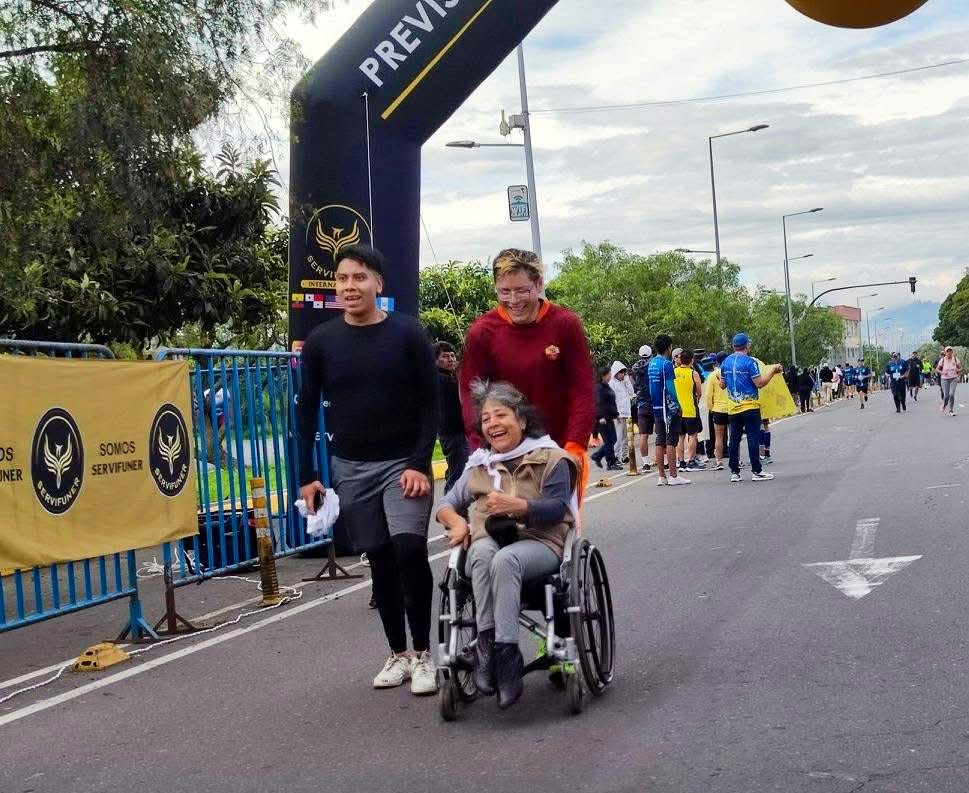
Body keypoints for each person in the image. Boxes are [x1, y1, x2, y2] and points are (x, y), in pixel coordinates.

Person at [298, 244, 438, 695]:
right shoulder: (322, 341)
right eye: (342, 279)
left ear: (379, 283)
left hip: (404, 465)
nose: (350, 286)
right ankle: (397, 653)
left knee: (409, 552)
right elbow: (304, 409)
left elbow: (430, 404)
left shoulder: (409, 334)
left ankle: (424, 655)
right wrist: (307, 474)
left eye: (360, 277)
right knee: (379, 558)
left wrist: (419, 461)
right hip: (351, 467)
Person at [435, 381, 578, 709]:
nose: (493, 424)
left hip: (540, 543)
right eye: (486, 419)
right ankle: (486, 648)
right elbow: (446, 504)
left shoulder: (552, 458)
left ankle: (507, 656)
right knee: (483, 554)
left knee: (505, 561)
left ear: (522, 420)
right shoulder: (479, 465)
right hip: (491, 543)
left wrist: (520, 508)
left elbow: (558, 508)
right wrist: (457, 522)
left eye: (501, 415)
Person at [459, 249, 595, 503]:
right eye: (505, 292)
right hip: (505, 450)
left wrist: (576, 444)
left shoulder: (565, 324)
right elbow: (470, 395)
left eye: (522, 290)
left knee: (557, 528)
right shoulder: (481, 332)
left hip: (558, 446)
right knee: (505, 527)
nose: (514, 300)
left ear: (539, 284)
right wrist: (480, 447)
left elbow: (582, 388)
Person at [719, 332, 783, 483]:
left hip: (733, 408)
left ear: (733, 346)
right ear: (747, 345)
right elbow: (759, 383)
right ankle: (757, 470)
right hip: (750, 406)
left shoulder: (726, 362)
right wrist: (773, 372)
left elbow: (722, 385)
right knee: (752, 438)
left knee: (734, 439)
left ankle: (734, 472)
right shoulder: (750, 362)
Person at [648, 334, 691, 486]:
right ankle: (673, 475)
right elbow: (671, 388)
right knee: (671, 441)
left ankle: (661, 476)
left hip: (656, 406)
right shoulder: (666, 365)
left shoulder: (652, 363)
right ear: (668, 348)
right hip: (668, 408)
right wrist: (678, 405)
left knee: (660, 441)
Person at [434, 341, 470, 493]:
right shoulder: (439, 379)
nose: (451, 359)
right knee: (458, 473)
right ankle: (450, 508)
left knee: (456, 469)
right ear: (435, 360)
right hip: (452, 433)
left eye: (452, 355)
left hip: (459, 432)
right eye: (445, 356)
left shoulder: (450, 377)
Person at [674, 349, 704, 471]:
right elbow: (699, 392)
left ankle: (681, 462)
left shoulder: (674, 372)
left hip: (677, 410)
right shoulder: (693, 373)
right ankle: (691, 461)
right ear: (691, 360)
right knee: (692, 435)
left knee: (680, 437)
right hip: (690, 409)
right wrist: (697, 399)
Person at [590, 366, 623, 471]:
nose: (610, 376)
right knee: (609, 441)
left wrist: (616, 414)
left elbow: (611, 403)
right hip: (602, 419)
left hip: (609, 417)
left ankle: (598, 455)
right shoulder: (599, 388)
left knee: (613, 439)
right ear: (603, 376)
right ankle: (611, 462)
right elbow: (599, 404)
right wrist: (600, 417)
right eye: (609, 374)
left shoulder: (607, 386)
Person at [703, 351, 729, 471]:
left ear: (716, 361)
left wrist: (710, 408)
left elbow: (708, 395)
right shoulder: (730, 371)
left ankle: (718, 461)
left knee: (718, 437)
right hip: (732, 407)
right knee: (734, 435)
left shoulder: (712, 375)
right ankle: (737, 460)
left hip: (718, 409)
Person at [629, 345, 653, 473]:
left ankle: (646, 463)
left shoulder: (635, 368)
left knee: (643, 435)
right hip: (654, 402)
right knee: (661, 433)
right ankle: (665, 461)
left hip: (641, 404)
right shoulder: (653, 366)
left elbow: (634, 387)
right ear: (651, 354)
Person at [608, 360, 635, 464]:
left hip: (626, 413)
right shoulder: (612, 383)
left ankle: (624, 456)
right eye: (621, 372)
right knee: (618, 437)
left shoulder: (624, 382)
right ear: (616, 372)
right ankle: (614, 457)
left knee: (625, 437)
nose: (623, 374)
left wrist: (627, 381)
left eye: (624, 372)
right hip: (618, 414)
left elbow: (631, 393)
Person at [936, 345, 963, 416]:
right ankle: (944, 404)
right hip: (944, 379)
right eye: (947, 351)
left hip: (953, 379)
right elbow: (937, 369)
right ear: (945, 352)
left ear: (952, 352)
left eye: (950, 351)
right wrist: (942, 372)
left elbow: (961, 368)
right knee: (946, 396)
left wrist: (958, 373)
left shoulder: (955, 359)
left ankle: (951, 410)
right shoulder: (942, 360)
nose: (949, 353)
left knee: (951, 394)